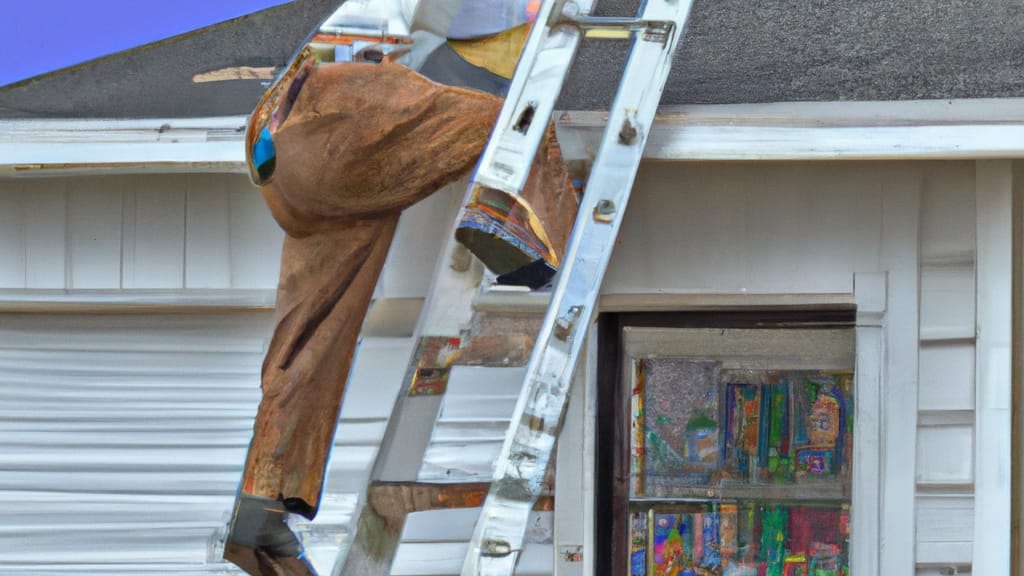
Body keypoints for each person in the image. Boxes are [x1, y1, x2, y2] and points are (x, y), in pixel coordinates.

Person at [225, 57, 577, 575]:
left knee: (312, 335)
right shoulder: (401, 65)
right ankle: (507, 218)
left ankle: (266, 492)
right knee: (522, 113)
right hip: (328, 121)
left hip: (278, 165)